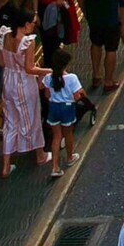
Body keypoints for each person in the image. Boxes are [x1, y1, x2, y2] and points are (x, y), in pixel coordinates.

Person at [0, 25, 49, 178]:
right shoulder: (27, 42)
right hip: (24, 83)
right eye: (32, 22)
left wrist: (12, 64)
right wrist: (48, 71)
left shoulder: (4, 35)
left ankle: (6, 166)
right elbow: (29, 68)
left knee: (10, 122)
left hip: (8, 81)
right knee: (31, 118)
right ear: (25, 23)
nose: (34, 25)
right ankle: (40, 155)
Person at [41, 47, 82, 178]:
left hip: (53, 108)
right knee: (68, 134)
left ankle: (55, 167)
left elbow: (47, 95)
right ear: (66, 64)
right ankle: (70, 157)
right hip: (67, 108)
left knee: (56, 136)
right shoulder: (72, 78)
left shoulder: (48, 78)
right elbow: (77, 96)